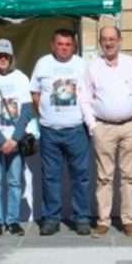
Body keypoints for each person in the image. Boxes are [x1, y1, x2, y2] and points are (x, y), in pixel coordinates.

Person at [81, 26, 132, 237]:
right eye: (104, 39)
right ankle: (103, 221)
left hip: (130, 126)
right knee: (104, 177)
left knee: (128, 176)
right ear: (100, 42)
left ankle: (127, 220)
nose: (109, 43)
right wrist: (93, 125)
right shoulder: (92, 67)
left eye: (112, 39)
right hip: (104, 127)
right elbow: (84, 98)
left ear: (120, 40)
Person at [31, 29, 90, 236]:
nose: (64, 48)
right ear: (52, 45)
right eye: (60, 44)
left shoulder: (82, 65)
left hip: (76, 129)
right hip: (50, 131)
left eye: (68, 44)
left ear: (73, 46)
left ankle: (81, 217)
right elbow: (35, 94)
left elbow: (89, 94)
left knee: (81, 176)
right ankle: (51, 219)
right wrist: (46, 116)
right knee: (50, 177)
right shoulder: (43, 64)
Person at [0, 39, 34, 237]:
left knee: (14, 183)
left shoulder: (21, 78)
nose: (2, 59)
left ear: (11, 57)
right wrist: (1, 141)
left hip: (15, 141)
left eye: (6, 55)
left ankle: (12, 220)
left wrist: (14, 139)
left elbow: (27, 111)